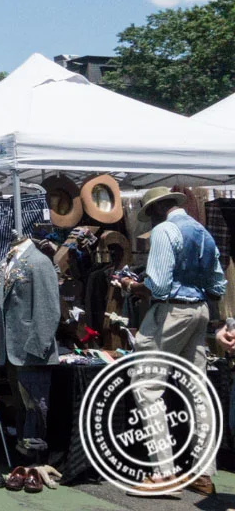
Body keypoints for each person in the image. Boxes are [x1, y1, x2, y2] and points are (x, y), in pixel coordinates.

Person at [120, 186, 226, 496]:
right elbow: (218, 282)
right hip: (200, 310)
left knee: (146, 386)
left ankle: (164, 473)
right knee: (198, 389)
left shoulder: (165, 231)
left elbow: (159, 285)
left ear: (155, 210)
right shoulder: (201, 230)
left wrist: (132, 285)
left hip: (171, 311)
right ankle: (204, 473)